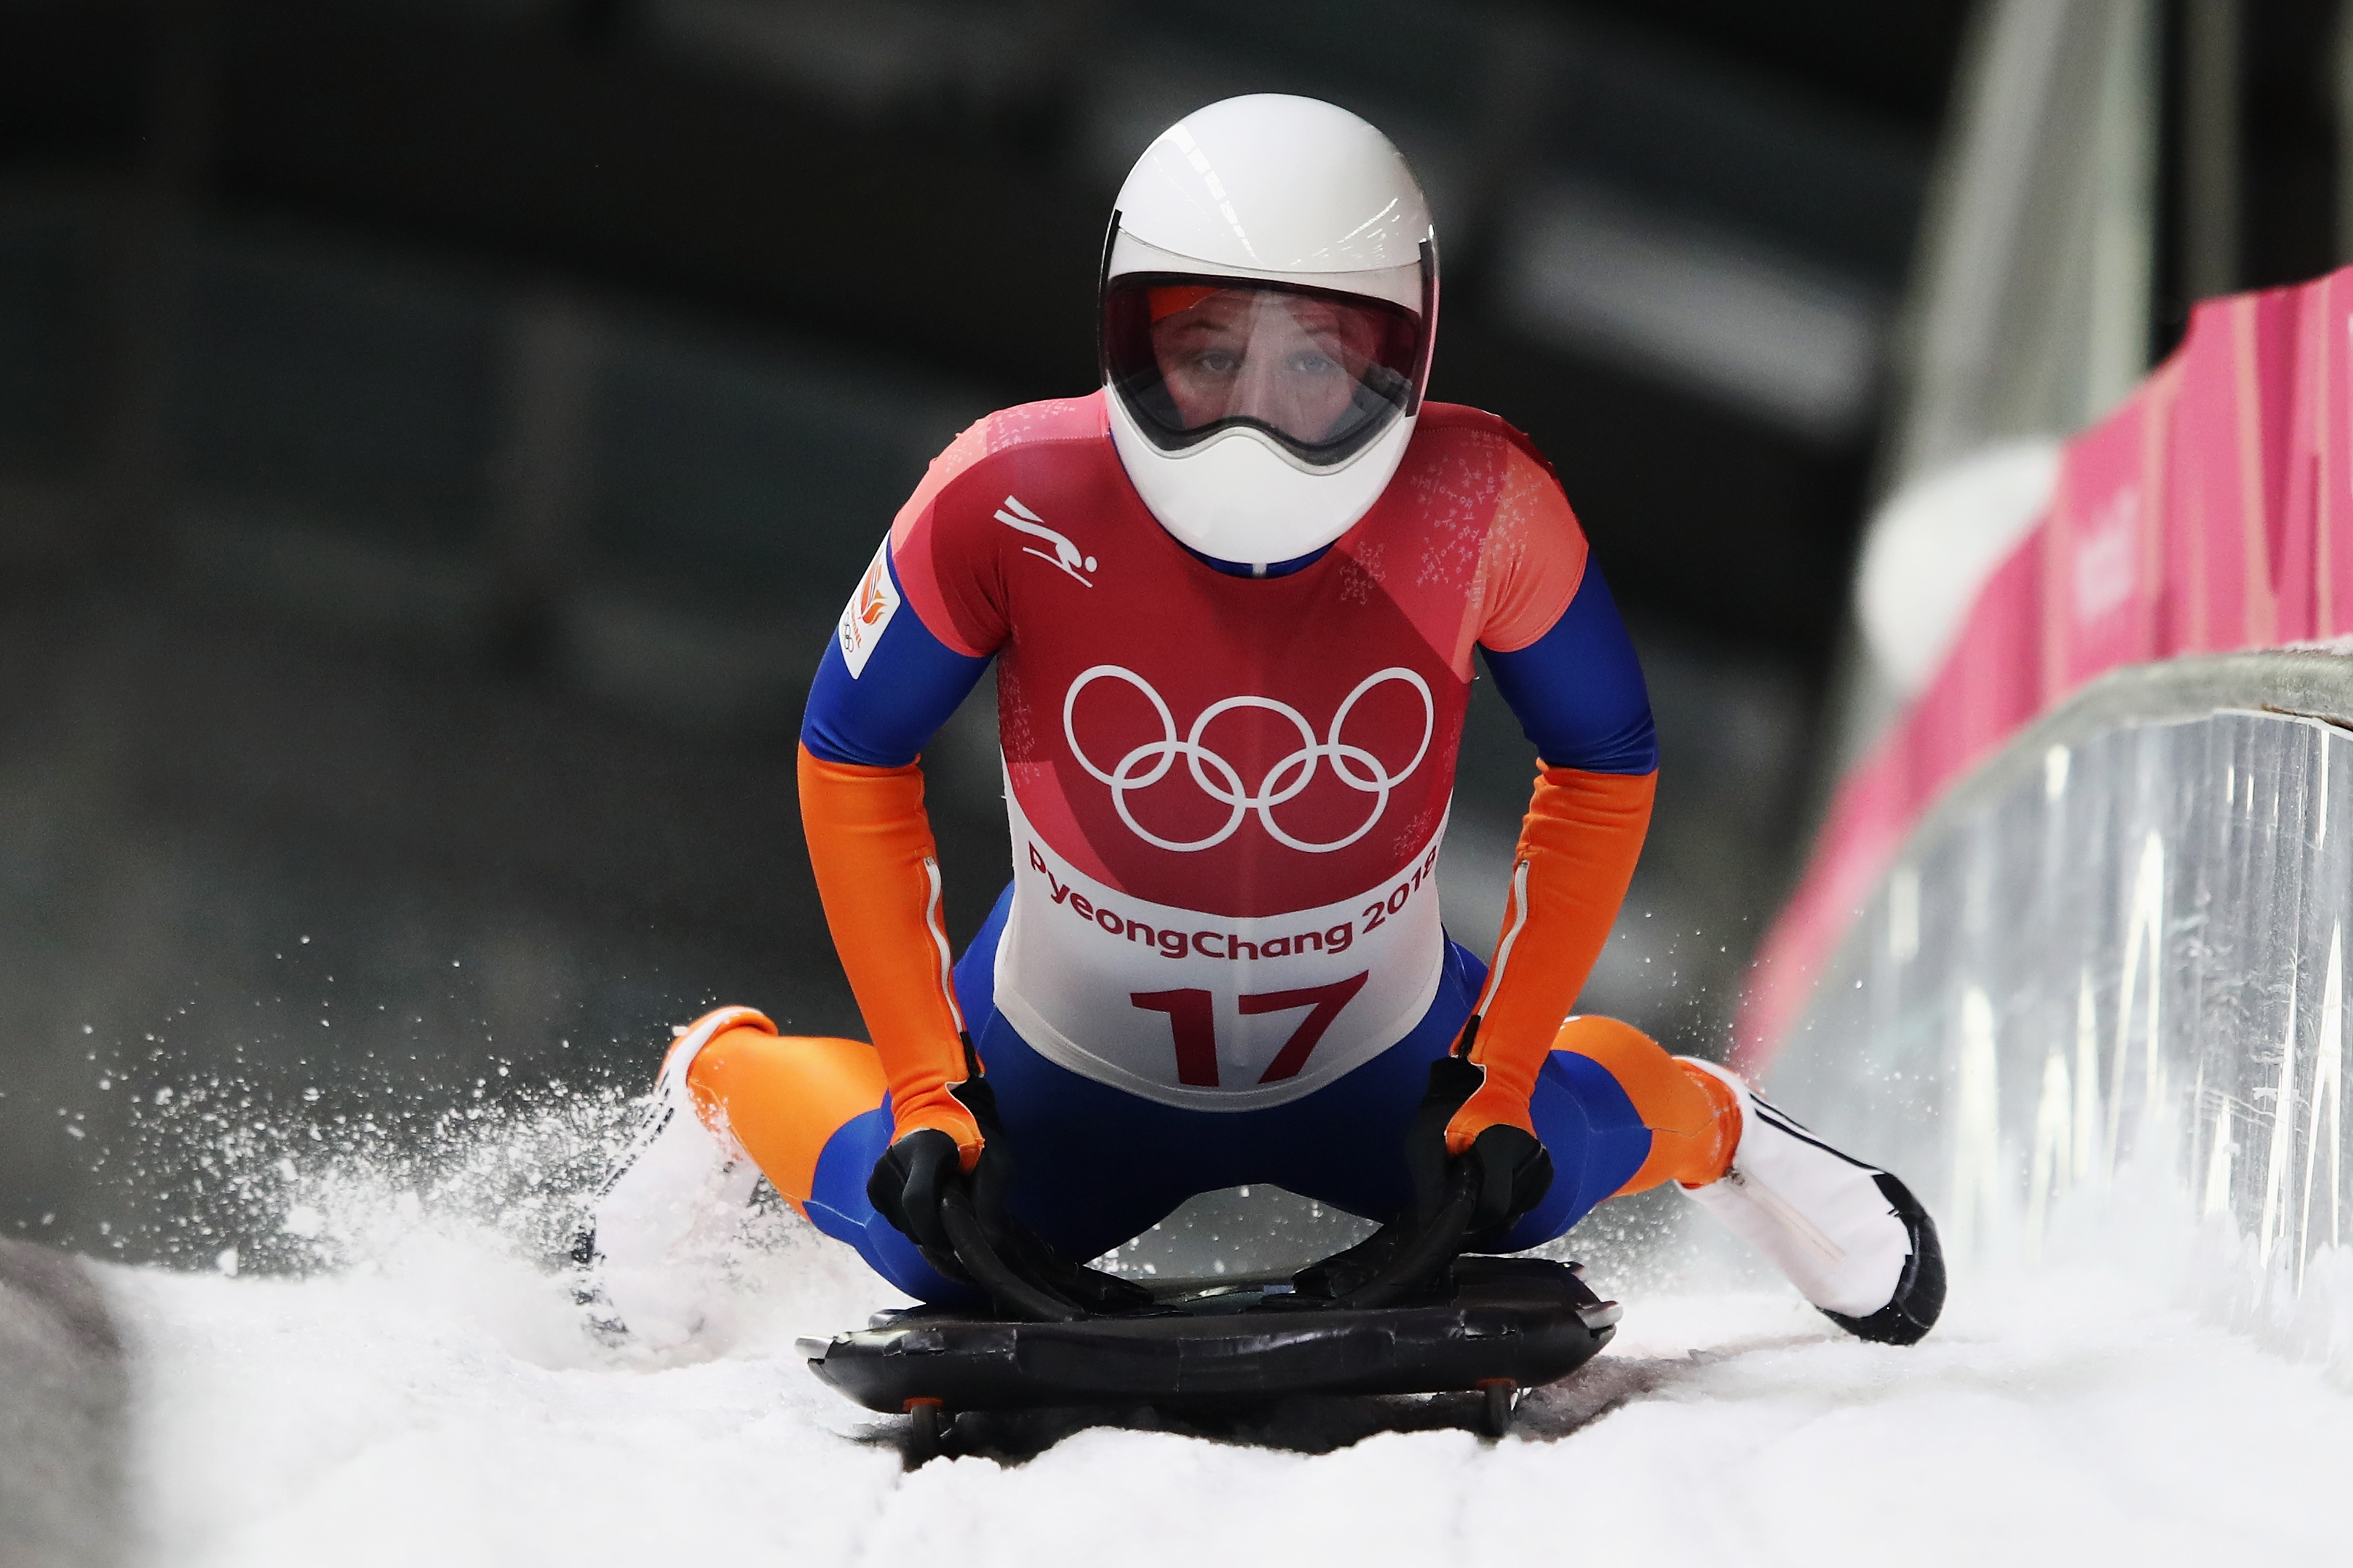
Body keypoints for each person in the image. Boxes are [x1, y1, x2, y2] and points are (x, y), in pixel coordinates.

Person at [576, 95, 1943, 1348]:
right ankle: (723, 1075)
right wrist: (932, 1090)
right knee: (927, 1239)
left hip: (1376, 1054)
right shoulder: (1000, 493)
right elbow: (849, 753)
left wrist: (1509, 1070)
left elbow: (1603, 762)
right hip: (1066, 1058)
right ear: (1126, 337)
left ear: (1400, 351)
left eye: (1314, 366)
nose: (1252, 423)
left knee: (1517, 1189)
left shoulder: (1487, 504)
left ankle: (1713, 1123)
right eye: (1206, 353)